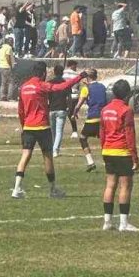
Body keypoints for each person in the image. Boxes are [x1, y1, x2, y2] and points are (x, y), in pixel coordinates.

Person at [11, 62, 83, 200]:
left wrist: (23, 126)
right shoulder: (42, 85)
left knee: (25, 156)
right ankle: (53, 189)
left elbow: (20, 110)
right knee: (48, 158)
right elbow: (62, 87)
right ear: (43, 73)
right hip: (42, 126)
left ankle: (16, 188)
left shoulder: (24, 87)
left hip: (28, 127)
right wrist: (79, 77)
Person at [100, 79, 139, 232]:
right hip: (122, 151)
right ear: (127, 94)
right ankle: (124, 223)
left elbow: (102, 132)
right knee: (125, 186)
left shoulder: (105, 109)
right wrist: (135, 157)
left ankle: (107, 222)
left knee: (110, 185)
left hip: (108, 150)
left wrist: (104, 148)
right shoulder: (126, 110)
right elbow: (130, 134)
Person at [74, 68, 107, 171]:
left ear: (87, 77)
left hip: (92, 117)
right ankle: (108, 162)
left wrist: (74, 113)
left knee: (83, 138)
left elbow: (79, 104)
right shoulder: (102, 87)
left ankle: (90, 162)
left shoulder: (86, 88)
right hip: (103, 117)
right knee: (104, 140)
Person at [0, 35, 15, 101]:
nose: (13, 43)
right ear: (10, 42)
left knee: (3, 82)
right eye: (12, 42)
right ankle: (9, 97)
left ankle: (2, 96)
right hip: (6, 66)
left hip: (1, 66)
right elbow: (7, 56)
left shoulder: (2, 47)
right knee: (11, 82)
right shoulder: (9, 48)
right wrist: (11, 65)